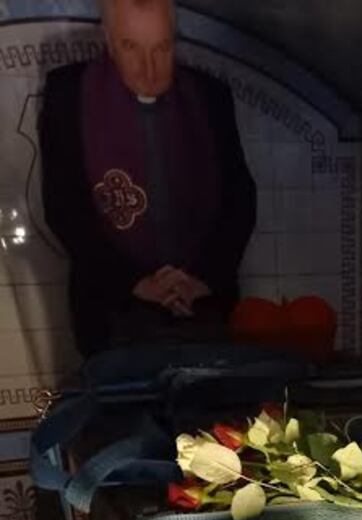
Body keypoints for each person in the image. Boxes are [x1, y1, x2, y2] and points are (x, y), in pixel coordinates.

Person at [40, 0, 256, 356]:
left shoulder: (209, 95)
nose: (149, 69)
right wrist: (137, 284)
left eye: (161, 48)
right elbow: (65, 208)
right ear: (109, 41)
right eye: (131, 48)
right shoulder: (69, 93)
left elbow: (239, 198)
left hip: (203, 305)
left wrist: (200, 279)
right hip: (112, 309)